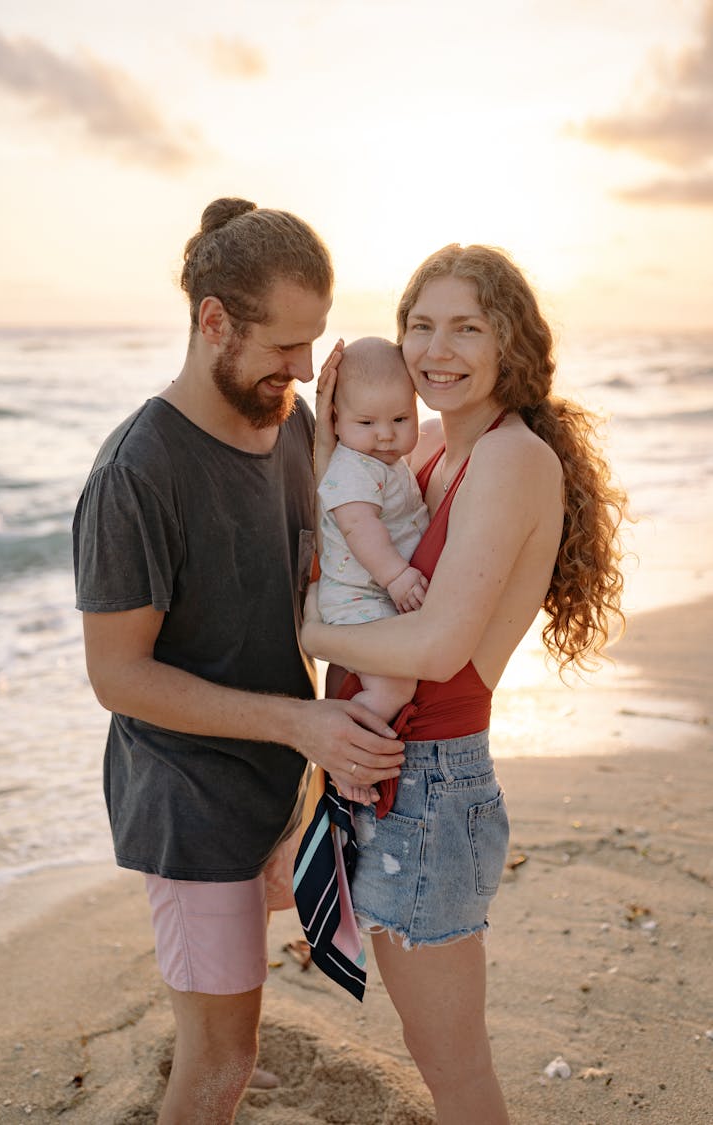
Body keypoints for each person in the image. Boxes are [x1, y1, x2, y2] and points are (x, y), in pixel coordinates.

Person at [72, 197, 405, 1125]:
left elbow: (308, 580)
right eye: (285, 347)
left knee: (234, 1041)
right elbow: (119, 675)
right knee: (220, 1058)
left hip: (275, 784)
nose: (302, 370)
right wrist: (302, 722)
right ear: (212, 320)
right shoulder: (136, 475)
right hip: (188, 799)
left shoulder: (297, 426)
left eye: (315, 346)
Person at [301, 243, 626, 1124]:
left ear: (509, 341)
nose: (436, 348)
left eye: (466, 327)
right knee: (431, 1047)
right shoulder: (433, 445)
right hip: (388, 767)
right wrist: (330, 425)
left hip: (433, 785)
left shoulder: (513, 460)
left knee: (455, 1068)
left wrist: (301, 631)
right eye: (420, 325)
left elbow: (441, 647)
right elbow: (348, 509)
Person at [317, 336, 429, 803]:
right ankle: (345, 758)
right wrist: (398, 577)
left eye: (401, 419)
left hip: (372, 594)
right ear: (337, 421)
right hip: (359, 598)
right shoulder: (352, 471)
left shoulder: (383, 460)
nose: (386, 434)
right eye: (367, 422)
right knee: (393, 685)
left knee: (395, 680)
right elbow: (362, 530)